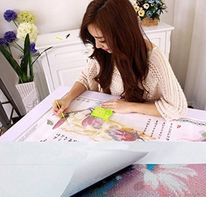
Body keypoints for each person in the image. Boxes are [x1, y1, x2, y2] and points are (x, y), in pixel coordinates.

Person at [53, 0, 187, 120]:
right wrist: (67, 98)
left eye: (103, 40)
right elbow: (85, 77)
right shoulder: (103, 51)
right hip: (109, 119)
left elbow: (177, 108)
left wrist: (129, 106)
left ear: (123, 34)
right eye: (94, 38)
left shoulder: (153, 59)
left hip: (139, 121)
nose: (97, 45)